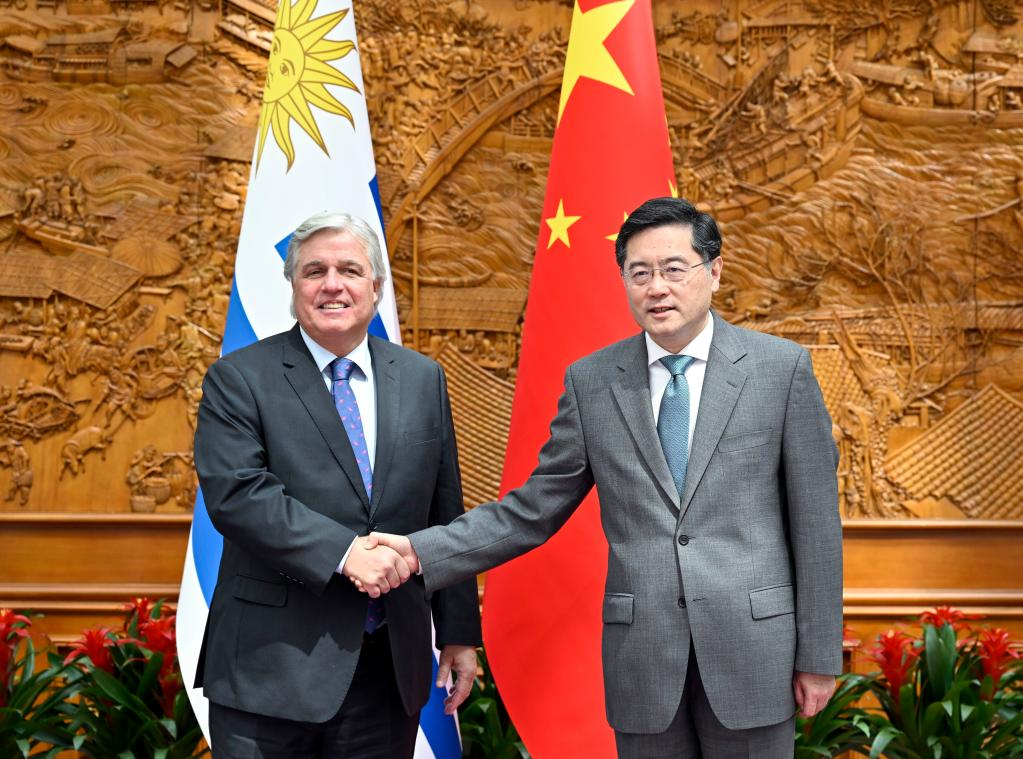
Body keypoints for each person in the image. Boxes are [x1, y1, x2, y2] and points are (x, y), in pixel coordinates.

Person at [368, 197, 843, 757]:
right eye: (639, 273)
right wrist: (418, 551)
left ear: (714, 271)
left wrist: (818, 657)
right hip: (644, 660)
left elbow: (815, 526)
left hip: (754, 652)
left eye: (674, 269)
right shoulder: (593, 382)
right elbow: (532, 509)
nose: (657, 288)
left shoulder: (780, 370)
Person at [192, 211, 481, 759]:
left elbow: (445, 510)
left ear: (376, 285)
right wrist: (345, 553)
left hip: (387, 668)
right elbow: (238, 495)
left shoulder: (422, 378)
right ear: (293, 286)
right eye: (314, 271)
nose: (332, 285)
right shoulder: (239, 377)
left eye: (349, 270)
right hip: (270, 668)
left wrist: (458, 631)